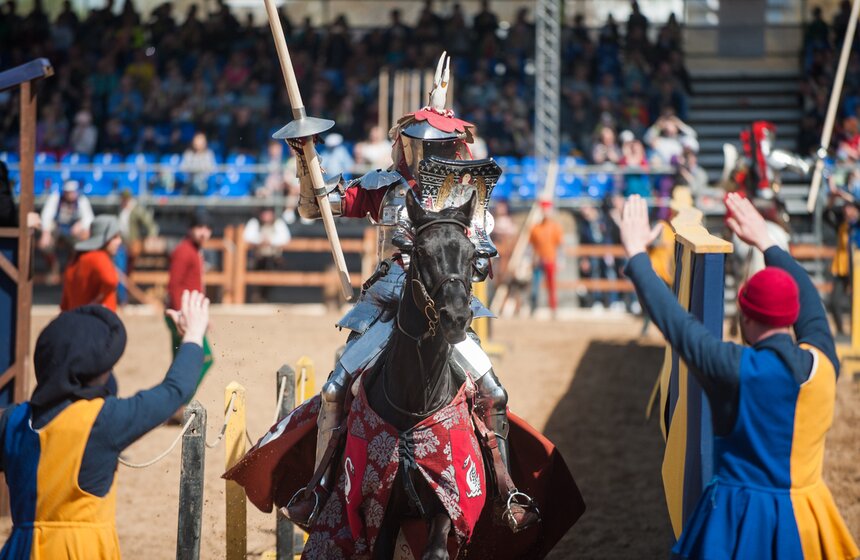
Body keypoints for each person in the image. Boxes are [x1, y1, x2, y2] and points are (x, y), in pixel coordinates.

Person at [286, 53, 537, 531]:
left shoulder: (468, 195)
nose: (424, 154)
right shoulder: (385, 186)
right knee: (337, 389)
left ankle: (507, 492)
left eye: (435, 145)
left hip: (444, 307)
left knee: (494, 392)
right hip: (389, 304)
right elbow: (315, 208)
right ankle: (319, 491)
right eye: (417, 144)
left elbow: (481, 257)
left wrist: (465, 266)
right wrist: (306, 162)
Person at [619, 193, 859, 560]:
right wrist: (767, 241)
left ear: (745, 318)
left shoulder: (733, 367)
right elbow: (813, 305)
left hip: (739, 517)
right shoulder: (824, 362)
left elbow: (676, 323)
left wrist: (637, 256)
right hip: (808, 514)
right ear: (792, 317)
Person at [0, 291, 210, 560]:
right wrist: (193, 335)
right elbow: (174, 390)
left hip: (17, 550)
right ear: (98, 372)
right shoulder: (103, 420)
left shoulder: (12, 420)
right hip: (79, 551)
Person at [167, 210, 214, 384]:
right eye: (199, 227)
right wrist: (182, 315)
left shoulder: (193, 250)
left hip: (185, 314)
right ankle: (180, 402)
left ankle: (172, 401)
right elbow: (174, 286)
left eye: (208, 228)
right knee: (204, 358)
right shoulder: (184, 251)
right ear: (190, 228)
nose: (204, 232)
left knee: (179, 363)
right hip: (183, 315)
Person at [61, 215, 122, 313]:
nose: (119, 241)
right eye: (115, 237)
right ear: (104, 238)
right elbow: (110, 280)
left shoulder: (76, 259)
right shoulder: (99, 257)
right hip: (99, 320)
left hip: (75, 320)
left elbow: (64, 305)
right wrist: (98, 299)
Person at [39, 180, 95, 283]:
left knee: (82, 243)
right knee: (44, 246)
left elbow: (89, 218)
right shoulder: (56, 198)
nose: (70, 194)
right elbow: (46, 216)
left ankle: (72, 270)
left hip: (73, 232)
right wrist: (45, 233)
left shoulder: (81, 200)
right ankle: (53, 267)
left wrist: (81, 225)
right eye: (68, 192)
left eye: (72, 192)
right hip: (57, 230)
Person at [243, 207, 291, 302]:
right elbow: (246, 237)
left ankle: (267, 297)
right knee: (255, 276)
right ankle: (257, 297)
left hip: (273, 258)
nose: (266, 215)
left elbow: (285, 238)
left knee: (272, 276)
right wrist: (260, 240)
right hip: (258, 258)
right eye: (264, 212)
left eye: (268, 212)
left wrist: (270, 241)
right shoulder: (255, 222)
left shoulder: (278, 222)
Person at [529, 199, 564, 316]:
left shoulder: (555, 227)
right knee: (535, 285)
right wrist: (532, 258)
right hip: (538, 260)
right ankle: (533, 308)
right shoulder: (535, 228)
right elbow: (532, 245)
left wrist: (560, 259)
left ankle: (553, 309)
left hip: (550, 259)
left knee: (551, 286)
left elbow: (560, 245)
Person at [117, 189, 158, 276]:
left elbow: (150, 224)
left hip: (132, 242)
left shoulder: (136, 210)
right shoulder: (121, 210)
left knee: (128, 267)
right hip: (122, 243)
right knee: (121, 266)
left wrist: (151, 237)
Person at [179, 132, 216, 196]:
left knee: (198, 182)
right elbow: (183, 168)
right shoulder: (188, 153)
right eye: (197, 140)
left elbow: (212, 170)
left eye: (202, 141)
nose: (199, 143)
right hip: (190, 181)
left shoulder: (209, 154)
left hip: (204, 182)